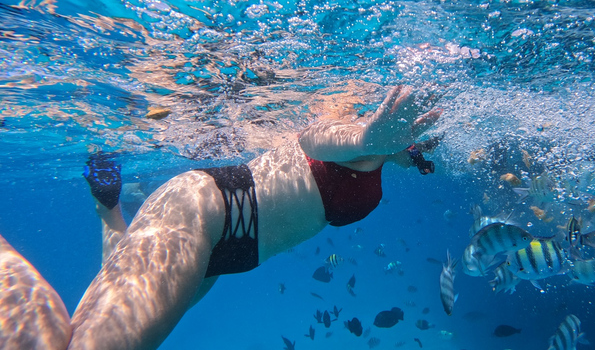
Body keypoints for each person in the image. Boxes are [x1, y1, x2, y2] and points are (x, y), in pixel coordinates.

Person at [0, 85, 441, 350]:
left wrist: (407, 152)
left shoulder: (383, 151)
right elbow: (314, 138)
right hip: (207, 213)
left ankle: (107, 204)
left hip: (225, 252)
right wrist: (370, 133)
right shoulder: (350, 134)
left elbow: (390, 151)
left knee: (112, 308)